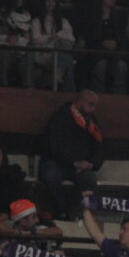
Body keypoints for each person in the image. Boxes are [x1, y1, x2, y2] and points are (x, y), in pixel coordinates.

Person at [41, 90, 103, 218]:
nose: (93, 109)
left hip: (81, 166)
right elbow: (53, 146)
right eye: (91, 104)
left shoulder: (92, 122)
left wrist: (91, 164)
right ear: (79, 102)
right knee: (50, 175)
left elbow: (100, 148)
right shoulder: (60, 116)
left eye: (95, 106)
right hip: (57, 162)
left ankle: (70, 210)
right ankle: (60, 209)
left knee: (90, 180)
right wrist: (74, 162)